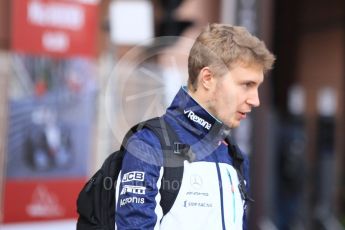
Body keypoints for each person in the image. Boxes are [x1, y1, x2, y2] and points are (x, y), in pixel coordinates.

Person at [115, 23, 275, 229]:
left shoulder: (235, 156)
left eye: (257, 87)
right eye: (246, 85)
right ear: (208, 78)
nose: (255, 100)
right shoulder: (150, 145)